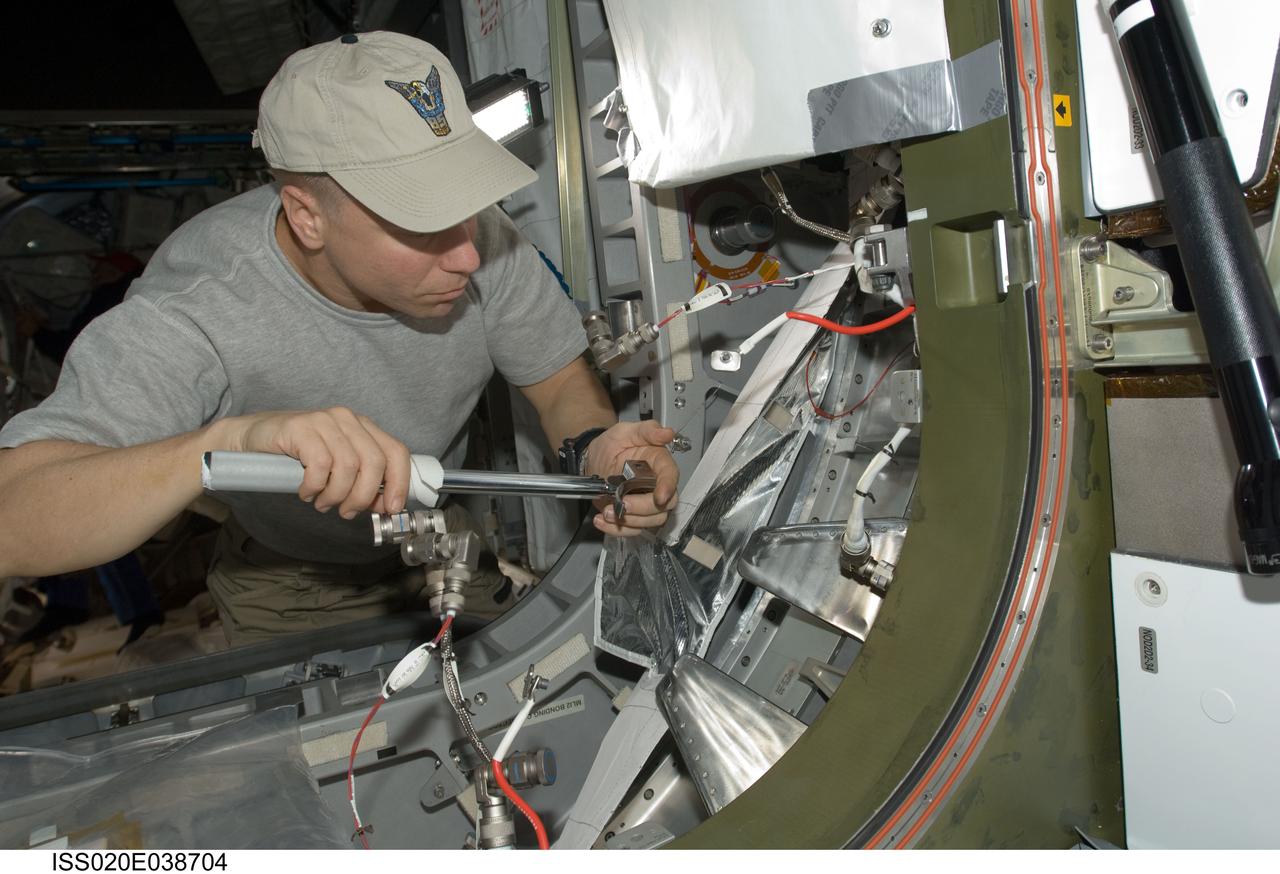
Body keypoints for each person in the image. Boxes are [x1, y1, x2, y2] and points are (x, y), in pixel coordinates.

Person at [0, 32, 678, 645]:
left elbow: (558, 380)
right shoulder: (195, 309)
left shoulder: (481, 242)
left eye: (466, 207)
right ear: (307, 217)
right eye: (424, 223)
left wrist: (596, 447)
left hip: (439, 535)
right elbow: (13, 512)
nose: (469, 257)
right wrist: (229, 439)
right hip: (294, 580)